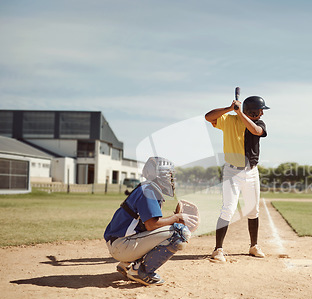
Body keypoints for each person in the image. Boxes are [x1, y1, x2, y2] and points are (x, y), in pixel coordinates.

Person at [104, 156, 199, 286]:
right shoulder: (148, 190)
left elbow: (148, 225)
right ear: (159, 175)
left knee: (171, 229)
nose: (171, 179)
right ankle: (141, 271)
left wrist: (173, 220)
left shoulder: (147, 188)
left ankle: (129, 264)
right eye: (168, 175)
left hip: (120, 243)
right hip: (122, 246)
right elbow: (152, 225)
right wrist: (177, 219)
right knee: (180, 233)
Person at [205, 95, 270, 263]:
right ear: (253, 111)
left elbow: (255, 130)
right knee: (228, 209)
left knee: (253, 210)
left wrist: (240, 114)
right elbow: (208, 117)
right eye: (260, 110)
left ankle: (253, 246)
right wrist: (229, 109)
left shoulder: (258, 124)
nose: (262, 113)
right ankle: (218, 249)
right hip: (231, 172)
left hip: (251, 172)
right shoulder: (229, 120)